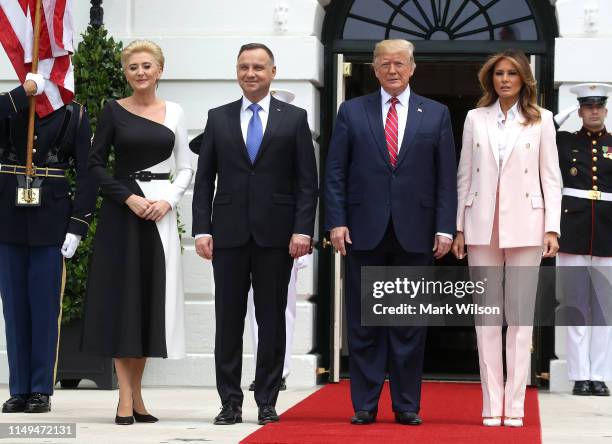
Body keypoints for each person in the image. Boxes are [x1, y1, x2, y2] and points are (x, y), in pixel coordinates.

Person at [325, 39, 457, 426]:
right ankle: (364, 405)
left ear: (413, 67)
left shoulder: (436, 114)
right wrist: (336, 220)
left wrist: (445, 228)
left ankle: (406, 405)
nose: (393, 70)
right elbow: (335, 172)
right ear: (374, 68)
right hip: (362, 232)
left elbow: (446, 179)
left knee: (408, 325)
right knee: (365, 323)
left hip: (415, 234)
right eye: (385, 64)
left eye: (400, 63)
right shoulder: (351, 111)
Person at [192, 43, 318, 426]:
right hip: (227, 235)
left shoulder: (294, 119)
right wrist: (201, 229)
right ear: (237, 71)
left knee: (271, 321)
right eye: (244, 67)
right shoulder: (218, 118)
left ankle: (266, 398)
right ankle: (229, 402)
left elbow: (306, 183)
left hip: (277, 237)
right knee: (227, 322)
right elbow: (204, 182)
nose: (251, 73)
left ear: (273, 72)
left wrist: (302, 229)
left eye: (259, 67)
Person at [81, 40, 193, 425]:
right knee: (122, 302)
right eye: (133, 67)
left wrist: (169, 201)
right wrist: (127, 198)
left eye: (147, 66)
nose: (140, 72)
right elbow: (94, 166)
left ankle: (137, 396)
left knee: (148, 302)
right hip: (123, 214)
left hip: (159, 214)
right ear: (126, 73)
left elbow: (185, 167)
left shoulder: (176, 112)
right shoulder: (112, 111)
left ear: (160, 70)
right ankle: (124, 399)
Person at [453, 49, 562, 427]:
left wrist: (552, 227)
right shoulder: (474, 118)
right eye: (498, 73)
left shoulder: (542, 120)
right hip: (481, 224)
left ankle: (515, 405)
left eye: (511, 74)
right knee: (486, 319)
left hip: (527, 226)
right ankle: (491, 403)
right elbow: (464, 174)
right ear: (490, 79)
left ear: (523, 79)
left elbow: (551, 178)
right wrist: (460, 227)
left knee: (519, 320)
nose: (504, 79)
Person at [0, 75, 96, 413]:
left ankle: (40, 388)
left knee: (43, 307)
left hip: (52, 221)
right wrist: (20, 94)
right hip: (8, 218)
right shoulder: (11, 105)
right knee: (13, 309)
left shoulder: (76, 114)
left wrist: (77, 225)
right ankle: (19, 388)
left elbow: (87, 172)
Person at [554, 83, 612, 397]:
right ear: (580, 110)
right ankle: (580, 376)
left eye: (598, 106)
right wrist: (565, 114)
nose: (593, 111)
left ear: (605, 110)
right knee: (576, 305)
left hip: (607, 231)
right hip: (573, 229)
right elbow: (542, 127)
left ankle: (600, 375)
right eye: (587, 106)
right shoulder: (564, 140)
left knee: (604, 309)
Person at [247, 254, 310, 391]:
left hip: (284, 248)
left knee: (283, 310)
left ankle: (280, 372)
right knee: (255, 310)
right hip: (251, 246)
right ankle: (262, 371)